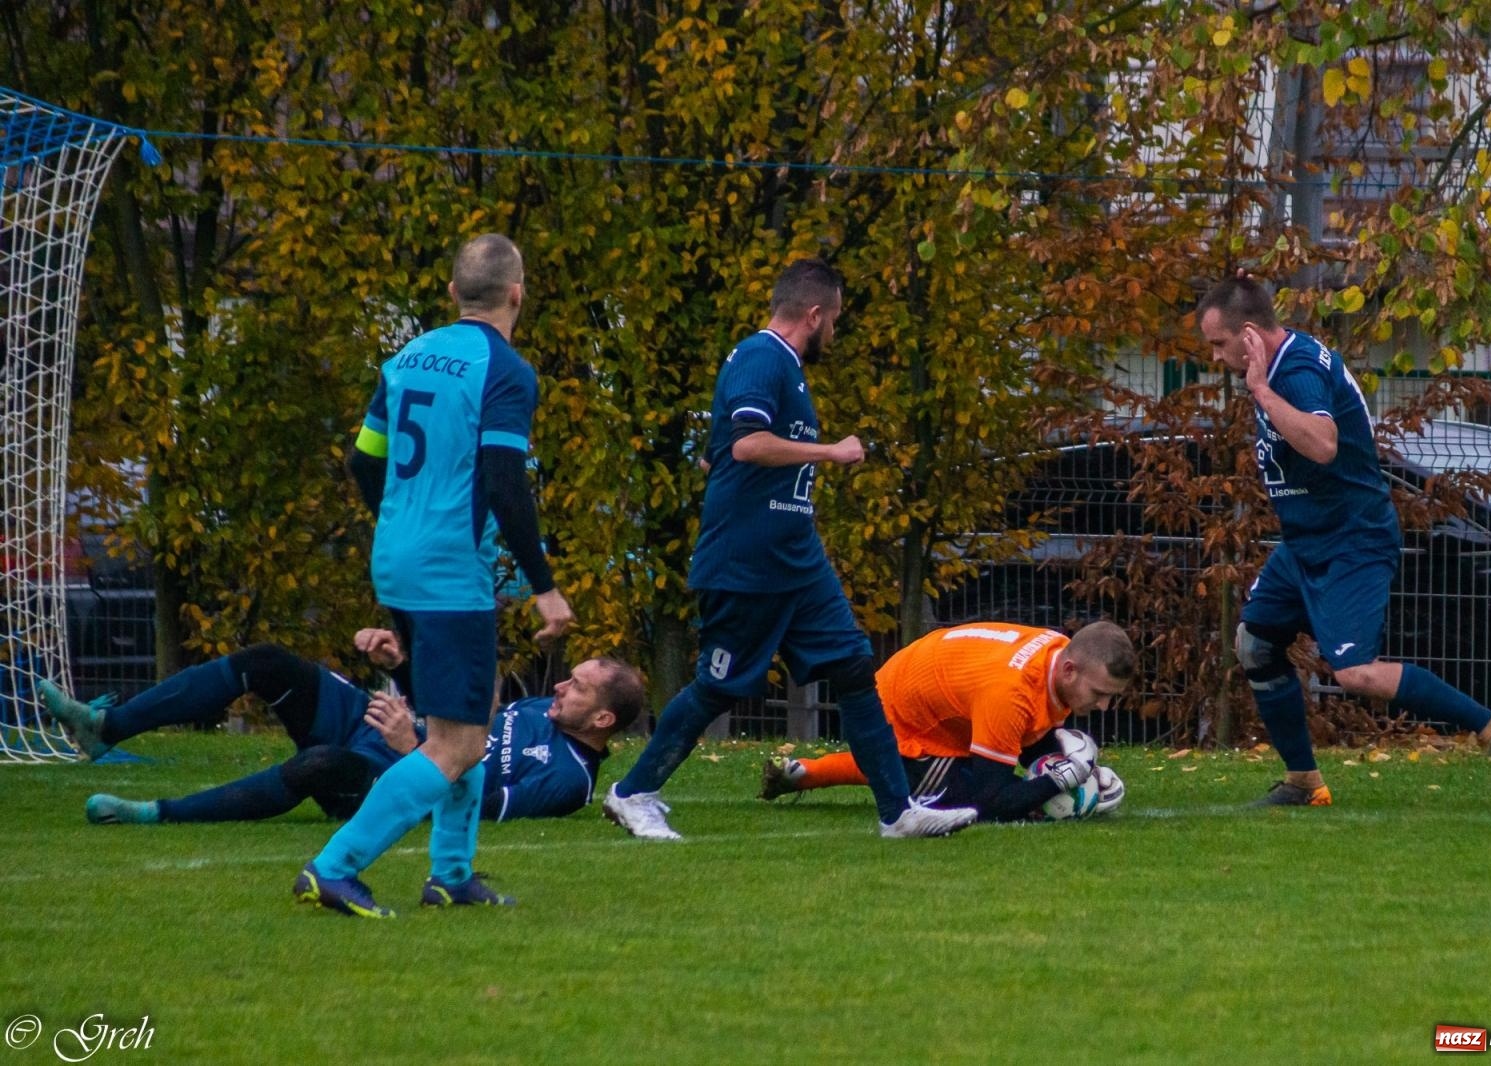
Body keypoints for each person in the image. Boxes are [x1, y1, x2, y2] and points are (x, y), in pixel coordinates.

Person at [601, 258, 977, 840]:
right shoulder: (761, 357)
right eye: (837, 321)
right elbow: (747, 444)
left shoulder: (786, 370)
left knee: (855, 670)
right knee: (719, 685)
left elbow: (713, 456)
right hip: (746, 564)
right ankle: (633, 792)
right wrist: (831, 452)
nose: (837, 333)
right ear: (815, 313)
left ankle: (898, 813)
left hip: (797, 563)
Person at [296, 233, 574, 917]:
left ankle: (450, 872)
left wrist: (401, 518)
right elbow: (506, 482)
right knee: (458, 743)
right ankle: (334, 866)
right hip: (451, 571)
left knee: (466, 716)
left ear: (452, 293)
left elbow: (364, 461)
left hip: (398, 556)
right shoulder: (505, 371)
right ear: (518, 293)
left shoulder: (406, 357)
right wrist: (545, 587)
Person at [1195, 274, 1491, 805]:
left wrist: (1261, 391)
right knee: (1256, 645)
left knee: (1354, 672)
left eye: (1220, 344)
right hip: (1308, 541)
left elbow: (1324, 444)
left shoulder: (1296, 371)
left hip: (1353, 540)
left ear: (1252, 335)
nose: (1217, 357)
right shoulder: (1285, 360)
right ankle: (1303, 783)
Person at [38, 632, 640, 826]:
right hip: (379, 724)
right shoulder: (544, 711)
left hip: (394, 773)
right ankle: (106, 726)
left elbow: (472, 808)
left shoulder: (566, 781)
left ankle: (153, 813)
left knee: (318, 765)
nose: (561, 686)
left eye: (578, 687)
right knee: (267, 661)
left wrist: (415, 750)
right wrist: (398, 667)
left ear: (603, 720)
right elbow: (462, 711)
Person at [759, 620, 1134, 820]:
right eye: (1099, 694)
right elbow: (994, 802)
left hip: (930, 694)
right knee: (966, 804)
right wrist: (1062, 778)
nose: (1102, 707)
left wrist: (1084, 769)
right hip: (895, 719)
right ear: (1069, 670)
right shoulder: (1010, 693)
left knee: (993, 780)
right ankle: (868, 765)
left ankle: (806, 771)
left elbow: (1030, 733)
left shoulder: (1055, 650)